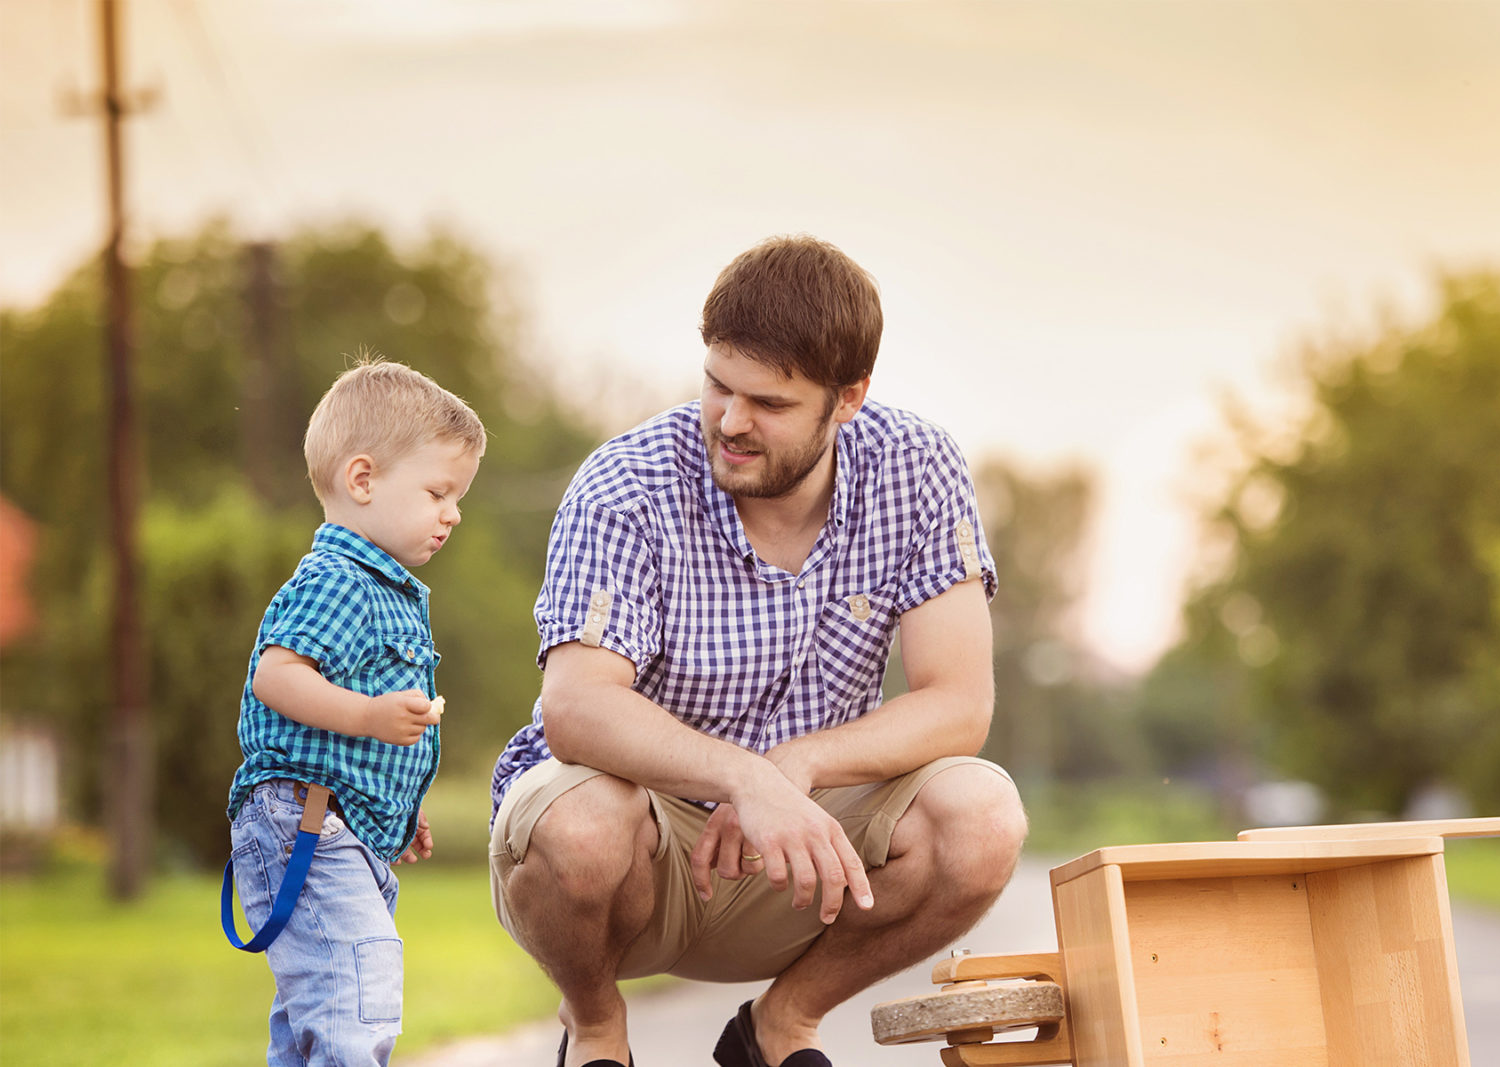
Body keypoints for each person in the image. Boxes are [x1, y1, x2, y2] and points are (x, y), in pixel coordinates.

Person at [488, 236, 1028, 1067]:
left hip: (798, 852)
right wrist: (743, 775)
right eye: (717, 385)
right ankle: (595, 1029)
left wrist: (795, 768)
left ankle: (780, 1027)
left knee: (984, 817)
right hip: (642, 853)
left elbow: (960, 703)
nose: (731, 422)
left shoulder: (918, 468)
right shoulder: (624, 484)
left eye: (768, 404)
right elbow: (575, 707)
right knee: (585, 822)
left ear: (847, 399)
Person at [225, 357, 485, 1065]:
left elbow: (350, 737)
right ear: (363, 480)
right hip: (303, 822)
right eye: (439, 491)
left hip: (333, 821)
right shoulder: (339, 578)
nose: (453, 512)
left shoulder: (382, 586)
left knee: (318, 1014)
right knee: (355, 997)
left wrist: (398, 809)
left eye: (456, 496)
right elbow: (276, 676)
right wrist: (370, 714)